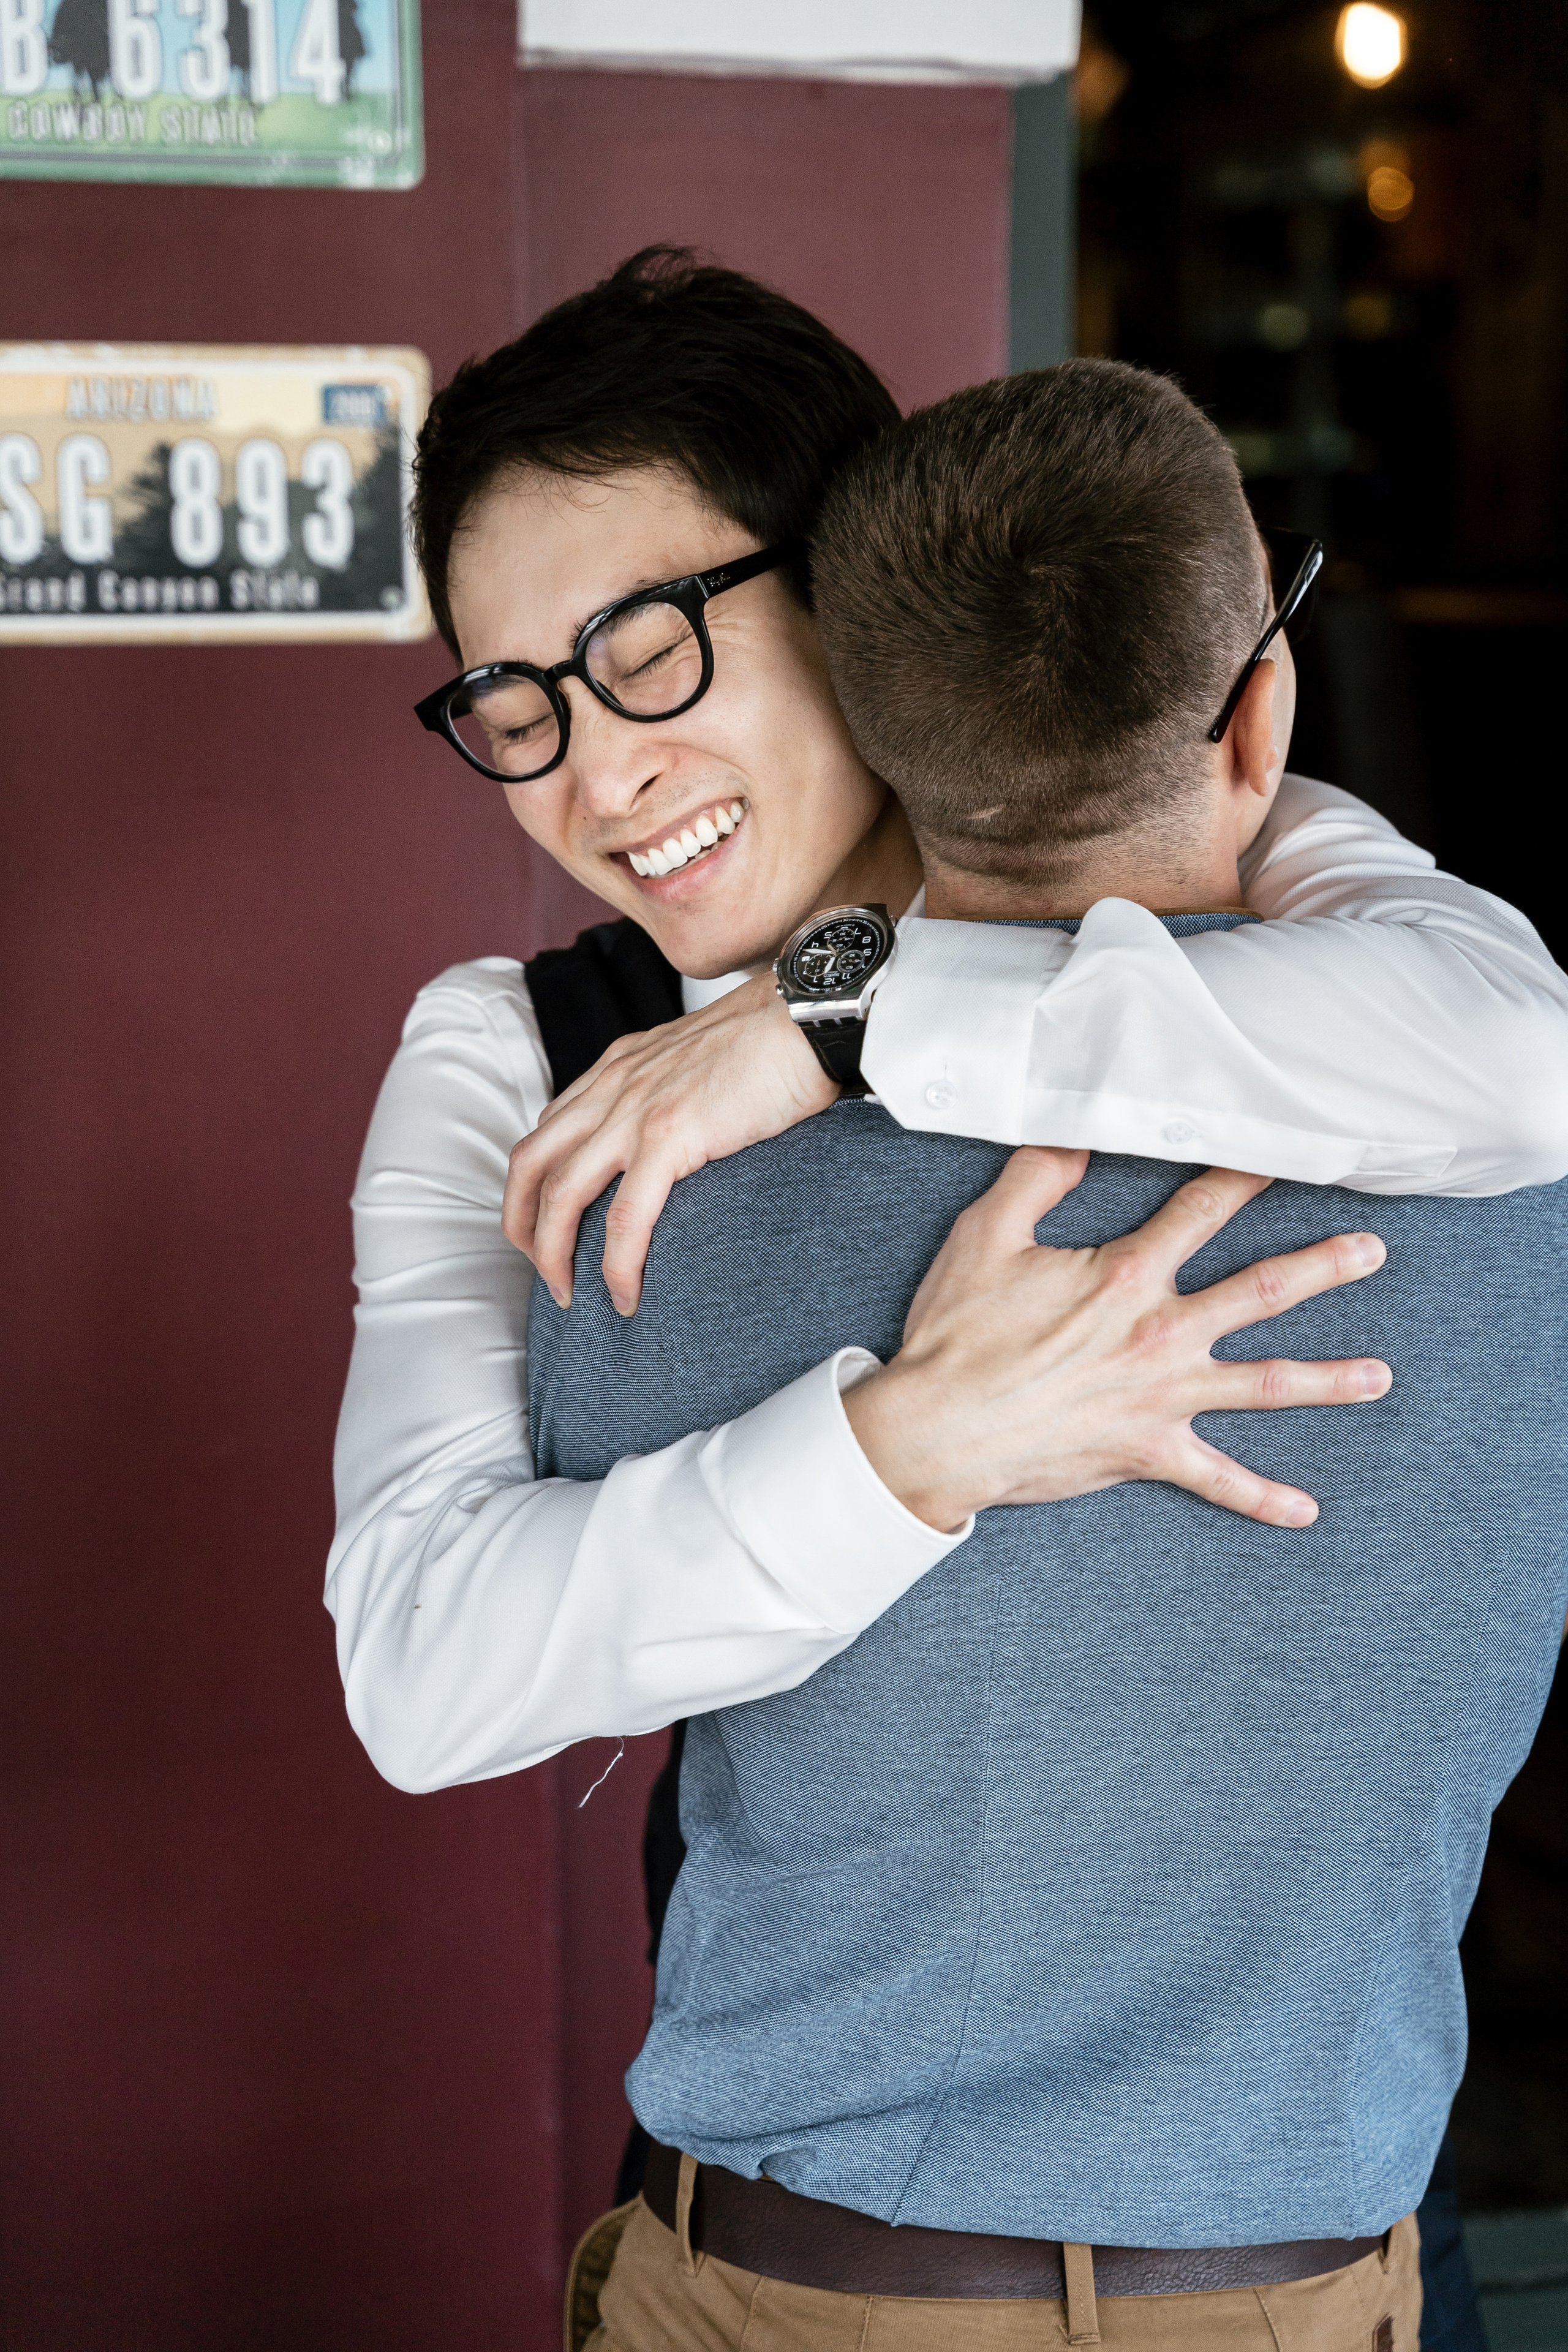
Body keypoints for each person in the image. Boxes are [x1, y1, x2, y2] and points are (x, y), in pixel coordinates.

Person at [527, 358, 1568, 2351]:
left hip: (797, 2291)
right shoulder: (1526, 1172)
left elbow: (487, 1631)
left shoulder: (659, 1208)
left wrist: (813, 1004)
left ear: (867, 742)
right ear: (1267, 710)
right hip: (1300, 2294)